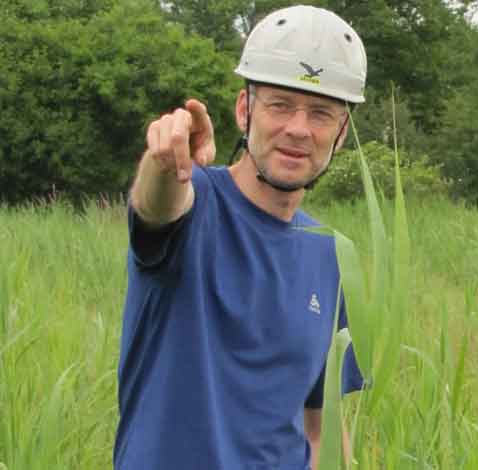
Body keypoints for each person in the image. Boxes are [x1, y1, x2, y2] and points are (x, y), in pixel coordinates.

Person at [115, 6, 367, 469]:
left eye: (320, 113)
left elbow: (321, 430)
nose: (298, 128)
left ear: (341, 133)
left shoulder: (331, 254)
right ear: (244, 110)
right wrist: (166, 162)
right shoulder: (195, 205)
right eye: (279, 105)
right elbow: (157, 207)